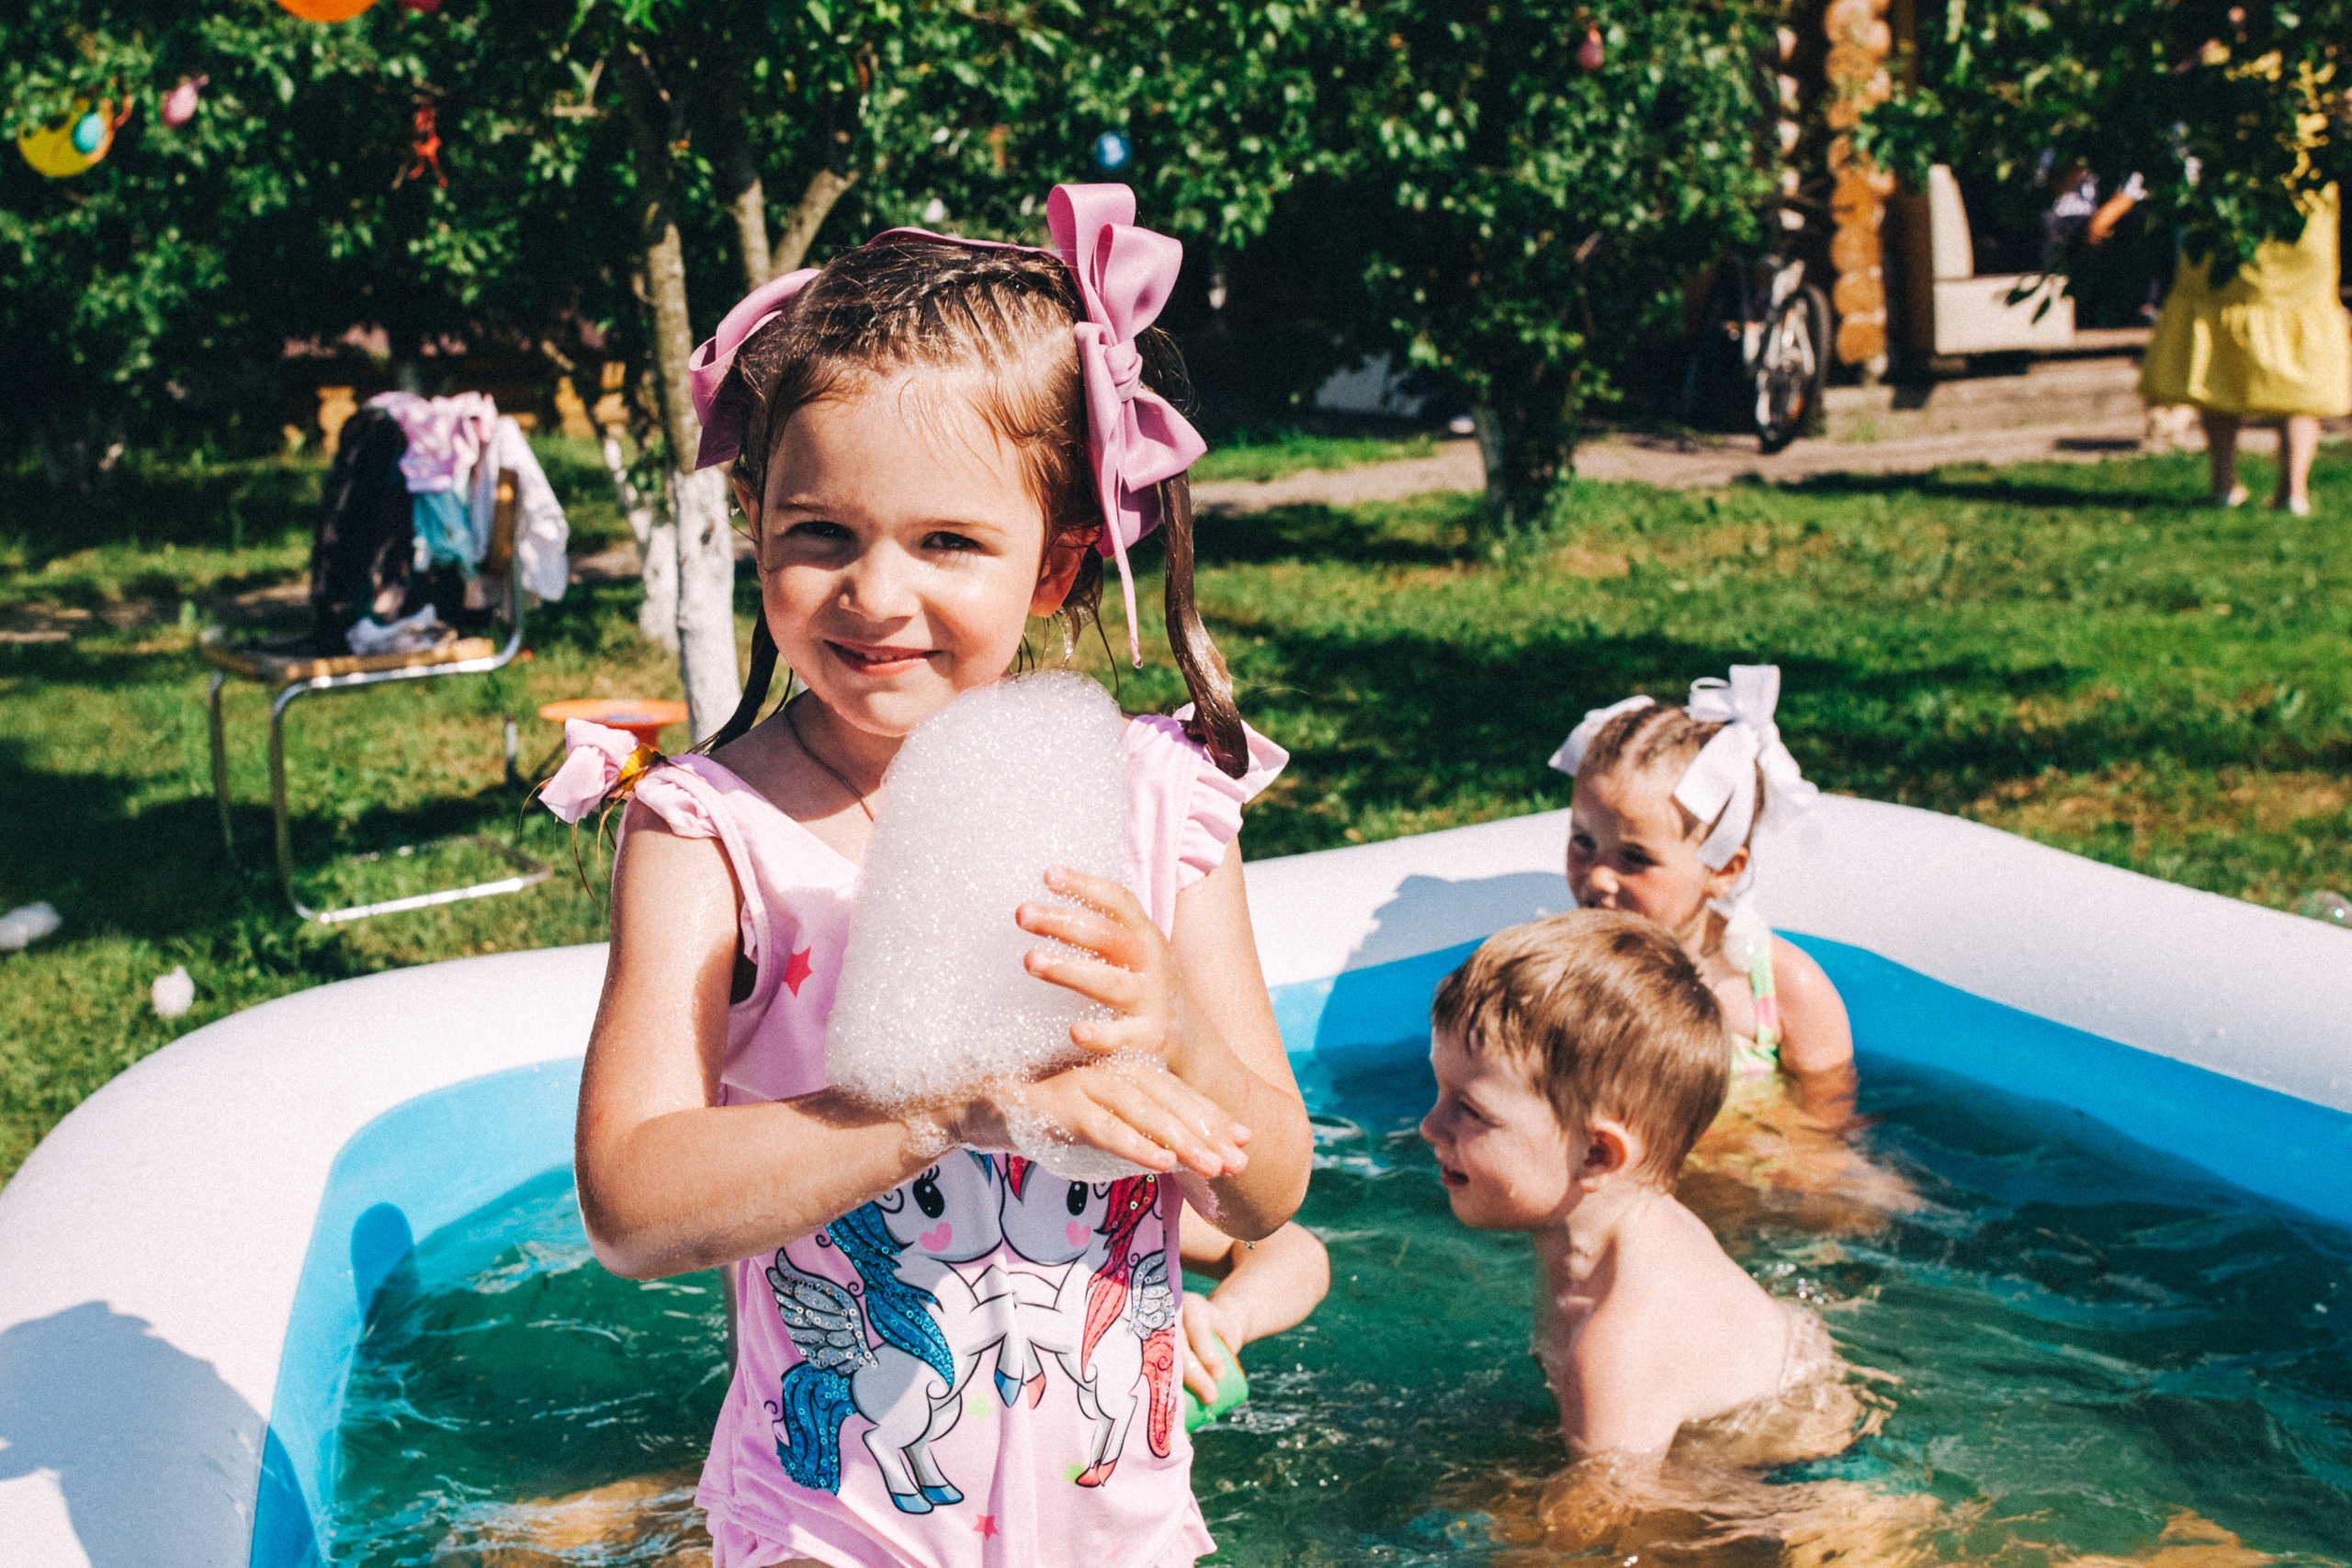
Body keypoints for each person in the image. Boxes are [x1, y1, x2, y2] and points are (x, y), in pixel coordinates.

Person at [544, 185, 1316, 1568]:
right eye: (821, 532)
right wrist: (935, 1104)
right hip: (826, 1528)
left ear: (1062, 559)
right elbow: (631, 1198)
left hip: (1119, 1527)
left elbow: (1270, 1190)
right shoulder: (711, 833)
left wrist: (1180, 1040)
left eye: (948, 541)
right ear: (757, 524)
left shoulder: (1159, 809)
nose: (876, 594)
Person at [1418, 911, 1857, 1461]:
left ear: (1598, 1154)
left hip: (1806, 1489)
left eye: (1470, 1110)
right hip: (1797, 1409)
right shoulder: (1624, 1224)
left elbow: (1602, 1531)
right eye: (1439, 1092)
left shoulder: (1618, 1344)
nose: (1429, 1126)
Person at [1547, 667, 1849, 1095]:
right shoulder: (1556, 973)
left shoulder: (1781, 988)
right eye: (1583, 841)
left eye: (1635, 857)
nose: (1598, 876)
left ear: (1724, 870)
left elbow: (1828, 1129)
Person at [2141, 183, 2348, 515]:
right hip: (2300, 219)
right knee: (2299, 367)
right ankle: (2293, 490)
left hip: (2228, 213)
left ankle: (2224, 483)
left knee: (2219, 356)